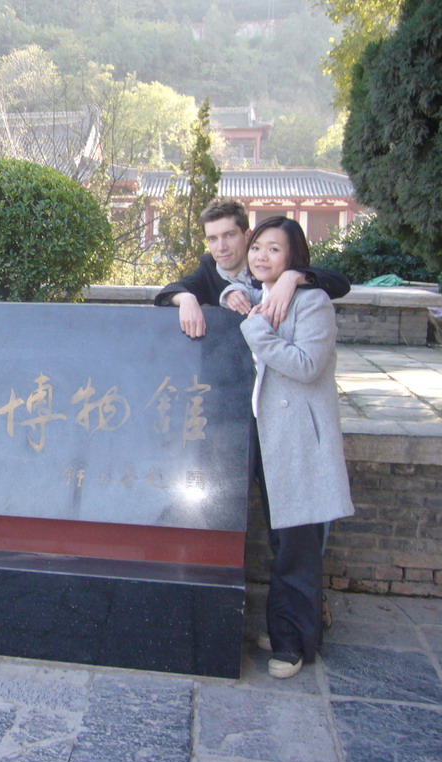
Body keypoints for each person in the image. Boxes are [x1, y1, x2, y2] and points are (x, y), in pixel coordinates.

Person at [228, 216, 354, 678]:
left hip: (299, 438)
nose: (261, 256)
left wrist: (258, 332)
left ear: (294, 258)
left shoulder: (313, 302)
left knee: (297, 543)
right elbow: (226, 286)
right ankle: (288, 625)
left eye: (274, 249)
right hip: (265, 435)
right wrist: (232, 297)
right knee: (280, 539)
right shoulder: (256, 295)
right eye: (257, 246)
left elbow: (306, 365)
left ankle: (293, 644)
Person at [154, 199, 350, 338]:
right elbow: (165, 294)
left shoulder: (268, 267)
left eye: (229, 235)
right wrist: (187, 298)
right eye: (213, 239)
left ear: (247, 235)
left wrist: (292, 277)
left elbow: (340, 284)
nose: (221, 247)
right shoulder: (208, 271)